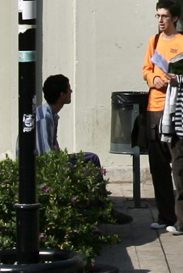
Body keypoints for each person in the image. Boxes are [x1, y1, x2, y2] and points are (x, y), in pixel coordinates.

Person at [29, 74, 130, 225]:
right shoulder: (44, 118)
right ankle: (101, 210)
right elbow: (46, 155)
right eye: (69, 90)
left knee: (91, 158)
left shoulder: (50, 114)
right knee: (88, 163)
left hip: (52, 160)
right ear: (62, 95)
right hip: (42, 167)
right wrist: (68, 168)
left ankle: (101, 207)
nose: (71, 92)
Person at [139, 0, 183, 233]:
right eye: (158, 16)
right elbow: (146, 69)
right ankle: (165, 216)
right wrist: (152, 78)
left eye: (164, 16)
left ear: (174, 18)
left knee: (180, 164)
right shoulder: (153, 41)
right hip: (154, 108)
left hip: (176, 109)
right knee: (158, 166)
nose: (161, 20)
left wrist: (177, 80)